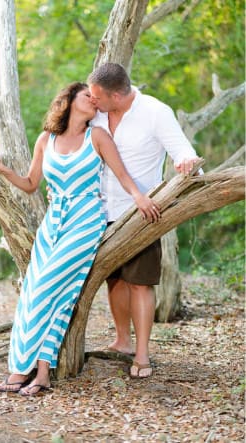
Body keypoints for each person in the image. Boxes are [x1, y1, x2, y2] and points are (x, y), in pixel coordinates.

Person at [0, 82, 156, 396]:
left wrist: (139, 198)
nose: (93, 100)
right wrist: (2, 170)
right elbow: (30, 183)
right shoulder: (45, 140)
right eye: (86, 96)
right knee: (49, 293)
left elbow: (121, 175)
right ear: (68, 101)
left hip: (86, 220)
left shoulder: (97, 137)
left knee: (46, 286)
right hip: (53, 223)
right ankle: (43, 373)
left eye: (95, 97)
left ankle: (19, 369)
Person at [86, 63, 202, 380]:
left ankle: (142, 352)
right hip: (98, 212)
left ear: (115, 94)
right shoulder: (95, 113)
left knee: (140, 281)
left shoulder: (155, 112)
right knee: (115, 279)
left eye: (97, 96)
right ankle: (122, 341)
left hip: (140, 213)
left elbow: (182, 151)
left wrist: (187, 163)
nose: (92, 101)